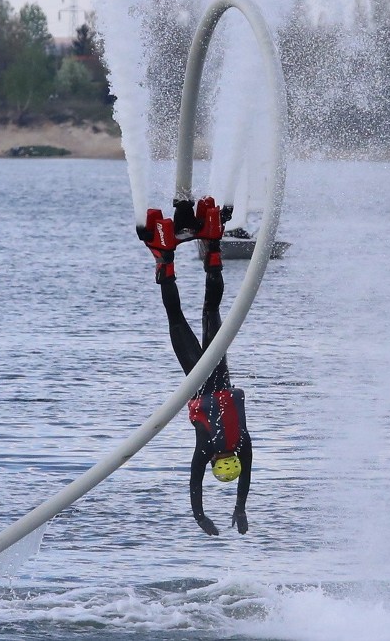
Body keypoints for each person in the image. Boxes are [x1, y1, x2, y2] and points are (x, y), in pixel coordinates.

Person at [137, 196, 252, 536]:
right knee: (176, 319)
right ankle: (166, 259)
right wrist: (202, 516)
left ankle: (213, 247)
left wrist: (241, 506)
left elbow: (246, 476)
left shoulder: (244, 444)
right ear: (219, 462)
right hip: (197, 374)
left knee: (210, 310)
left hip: (218, 364)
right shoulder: (207, 448)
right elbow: (195, 484)